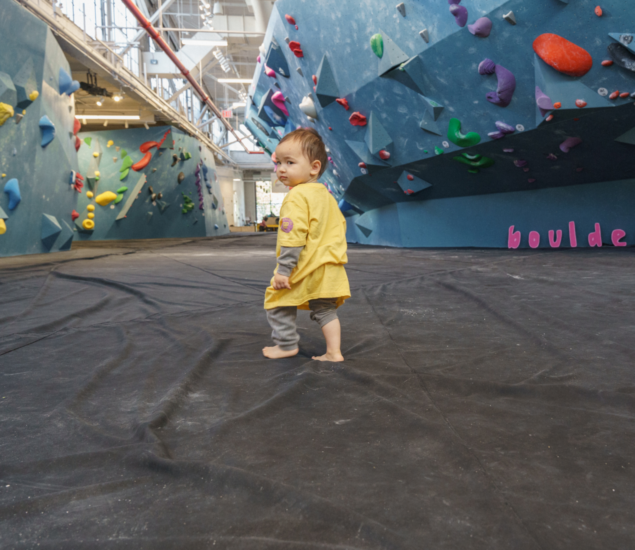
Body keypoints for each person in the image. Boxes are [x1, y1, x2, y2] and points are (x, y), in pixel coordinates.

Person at [262, 128, 350, 362]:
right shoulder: (327, 197)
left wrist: (283, 270)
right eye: (279, 162)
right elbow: (340, 227)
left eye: (290, 162)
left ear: (314, 167)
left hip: (307, 266)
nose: (281, 169)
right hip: (331, 267)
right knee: (324, 309)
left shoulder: (297, 196)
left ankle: (286, 344)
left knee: (277, 300)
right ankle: (334, 352)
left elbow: (293, 236)